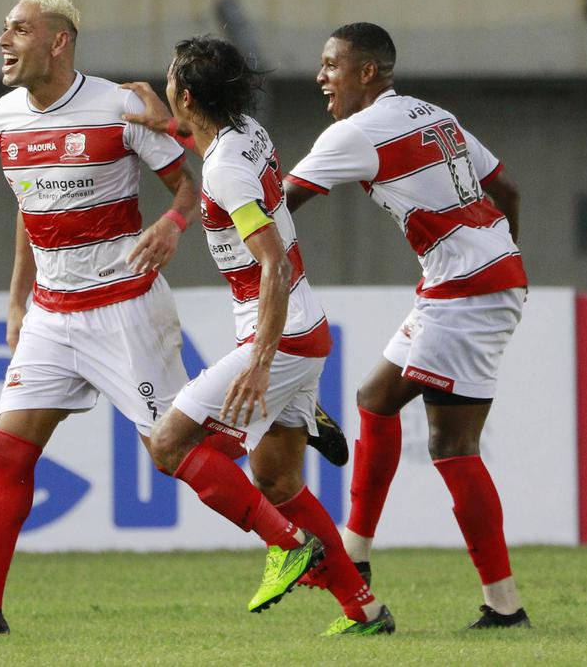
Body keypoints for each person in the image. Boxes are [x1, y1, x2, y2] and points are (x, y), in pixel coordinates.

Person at [0, 0, 199, 637]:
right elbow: (32, 209)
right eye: (4, 28)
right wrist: (17, 298)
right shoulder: (3, 117)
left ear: (58, 41)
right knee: (7, 450)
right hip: (53, 312)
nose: (3, 40)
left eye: (18, 29)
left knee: (172, 451)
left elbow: (190, 184)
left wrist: (171, 222)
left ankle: (293, 508)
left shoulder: (118, 106)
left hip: (124, 304)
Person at [123, 36, 394, 635]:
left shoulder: (224, 171)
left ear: (188, 95)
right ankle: (365, 610)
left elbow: (272, 263)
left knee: (169, 445)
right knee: (277, 481)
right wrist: (164, 122)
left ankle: (286, 545)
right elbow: (201, 135)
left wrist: (261, 362)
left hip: (281, 338)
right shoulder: (245, 131)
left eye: (171, 81)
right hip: (303, 328)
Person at [282, 22, 531, 629]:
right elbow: (506, 189)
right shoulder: (433, 114)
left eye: (331, 65)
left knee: (420, 425)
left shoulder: (356, 131)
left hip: (466, 288)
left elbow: (279, 202)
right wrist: (501, 255)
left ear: (367, 71)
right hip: (482, 277)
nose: (321, 77)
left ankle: (365, 559)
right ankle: (493, 602)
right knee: (408, 418)